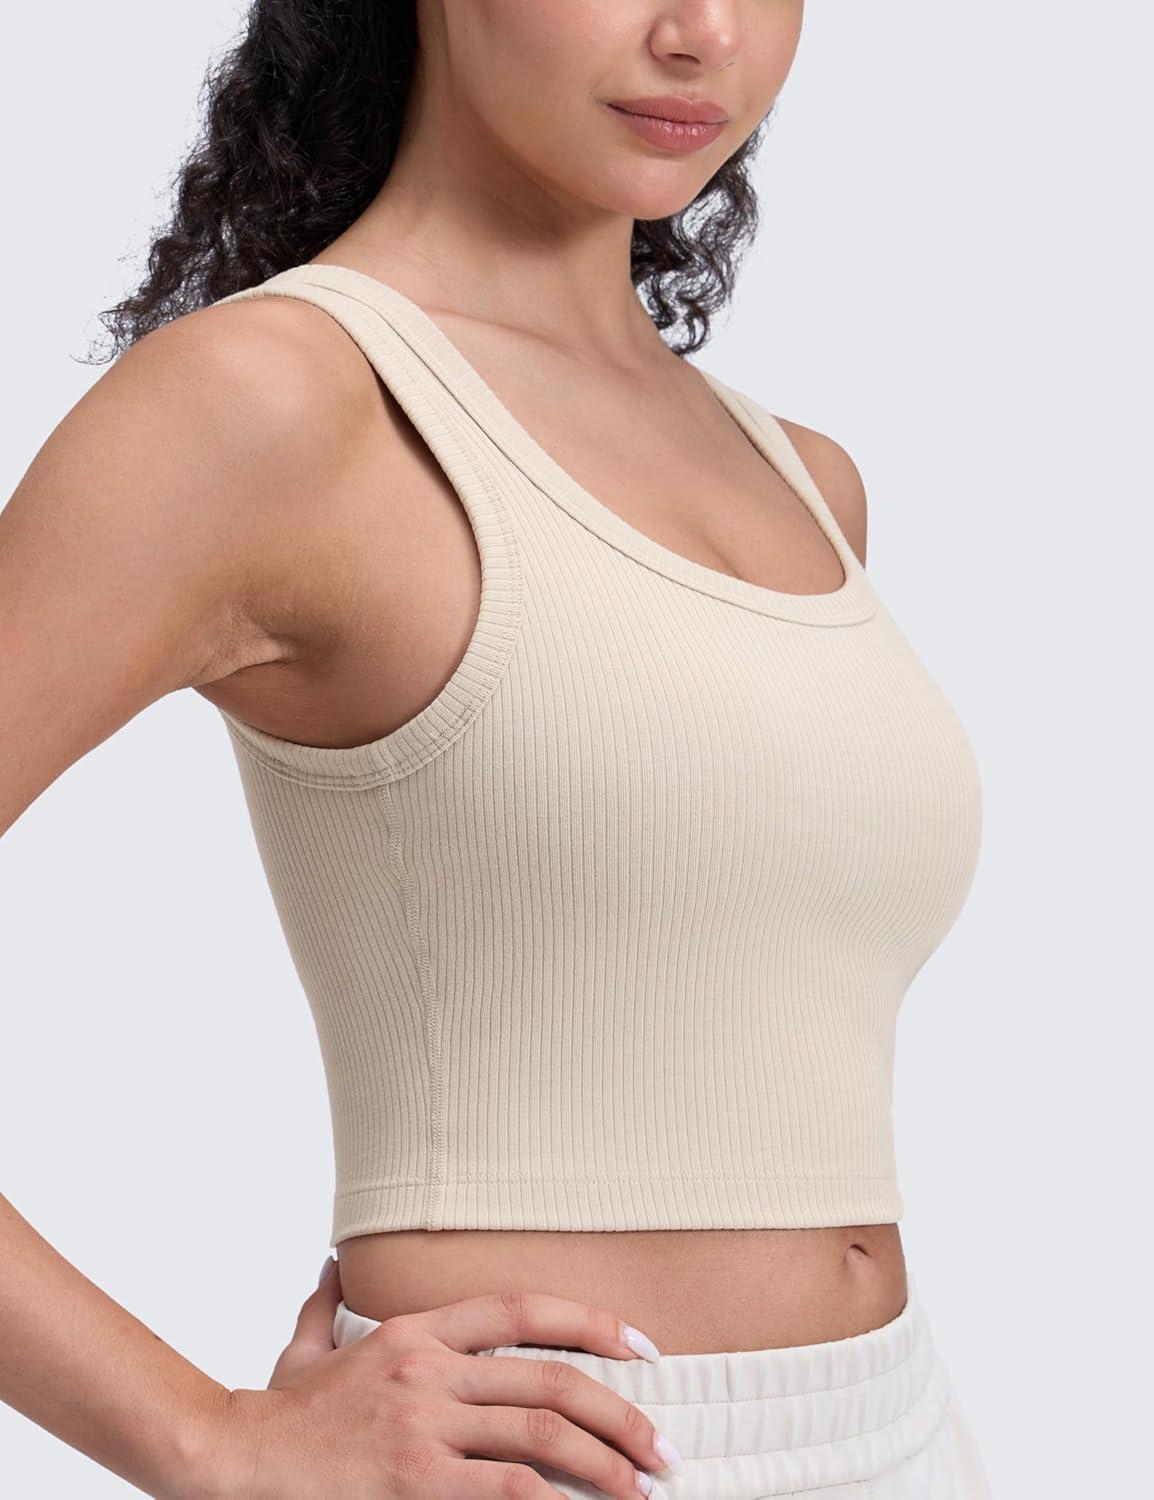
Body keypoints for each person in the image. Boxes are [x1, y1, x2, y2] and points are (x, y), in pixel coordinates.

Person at [0, 3, 994, 1496]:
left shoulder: (806, 478)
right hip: (542, 1456)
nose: (702, 33)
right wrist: (206, 1440)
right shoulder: (273, 403)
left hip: (903, 1429)